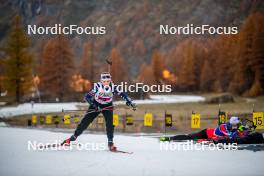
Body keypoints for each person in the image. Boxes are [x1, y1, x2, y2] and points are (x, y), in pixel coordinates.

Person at [63, 72, 136, 151]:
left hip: (108, 106)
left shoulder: (113, 87)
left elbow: (123, 94)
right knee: (85, 121)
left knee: (110, 124)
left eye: (108, 81)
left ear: (110, 80)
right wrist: (94, 106)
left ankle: (110, 142)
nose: (106, 83)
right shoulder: (97, 86)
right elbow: (87, 97)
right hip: (96, 104)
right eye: (104, 81)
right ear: (101, 81)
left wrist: (129, 101)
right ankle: (74, 137)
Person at [160, 116, 241, 141]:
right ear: (232, 123)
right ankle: (169, 138)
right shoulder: (223, 127)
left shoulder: (231, 127)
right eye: (236, 124)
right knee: (188, 137)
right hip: (205, 133)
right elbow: (230, 136)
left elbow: (233, 134)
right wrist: (238, 131)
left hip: (209, 137)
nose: (237, 126)